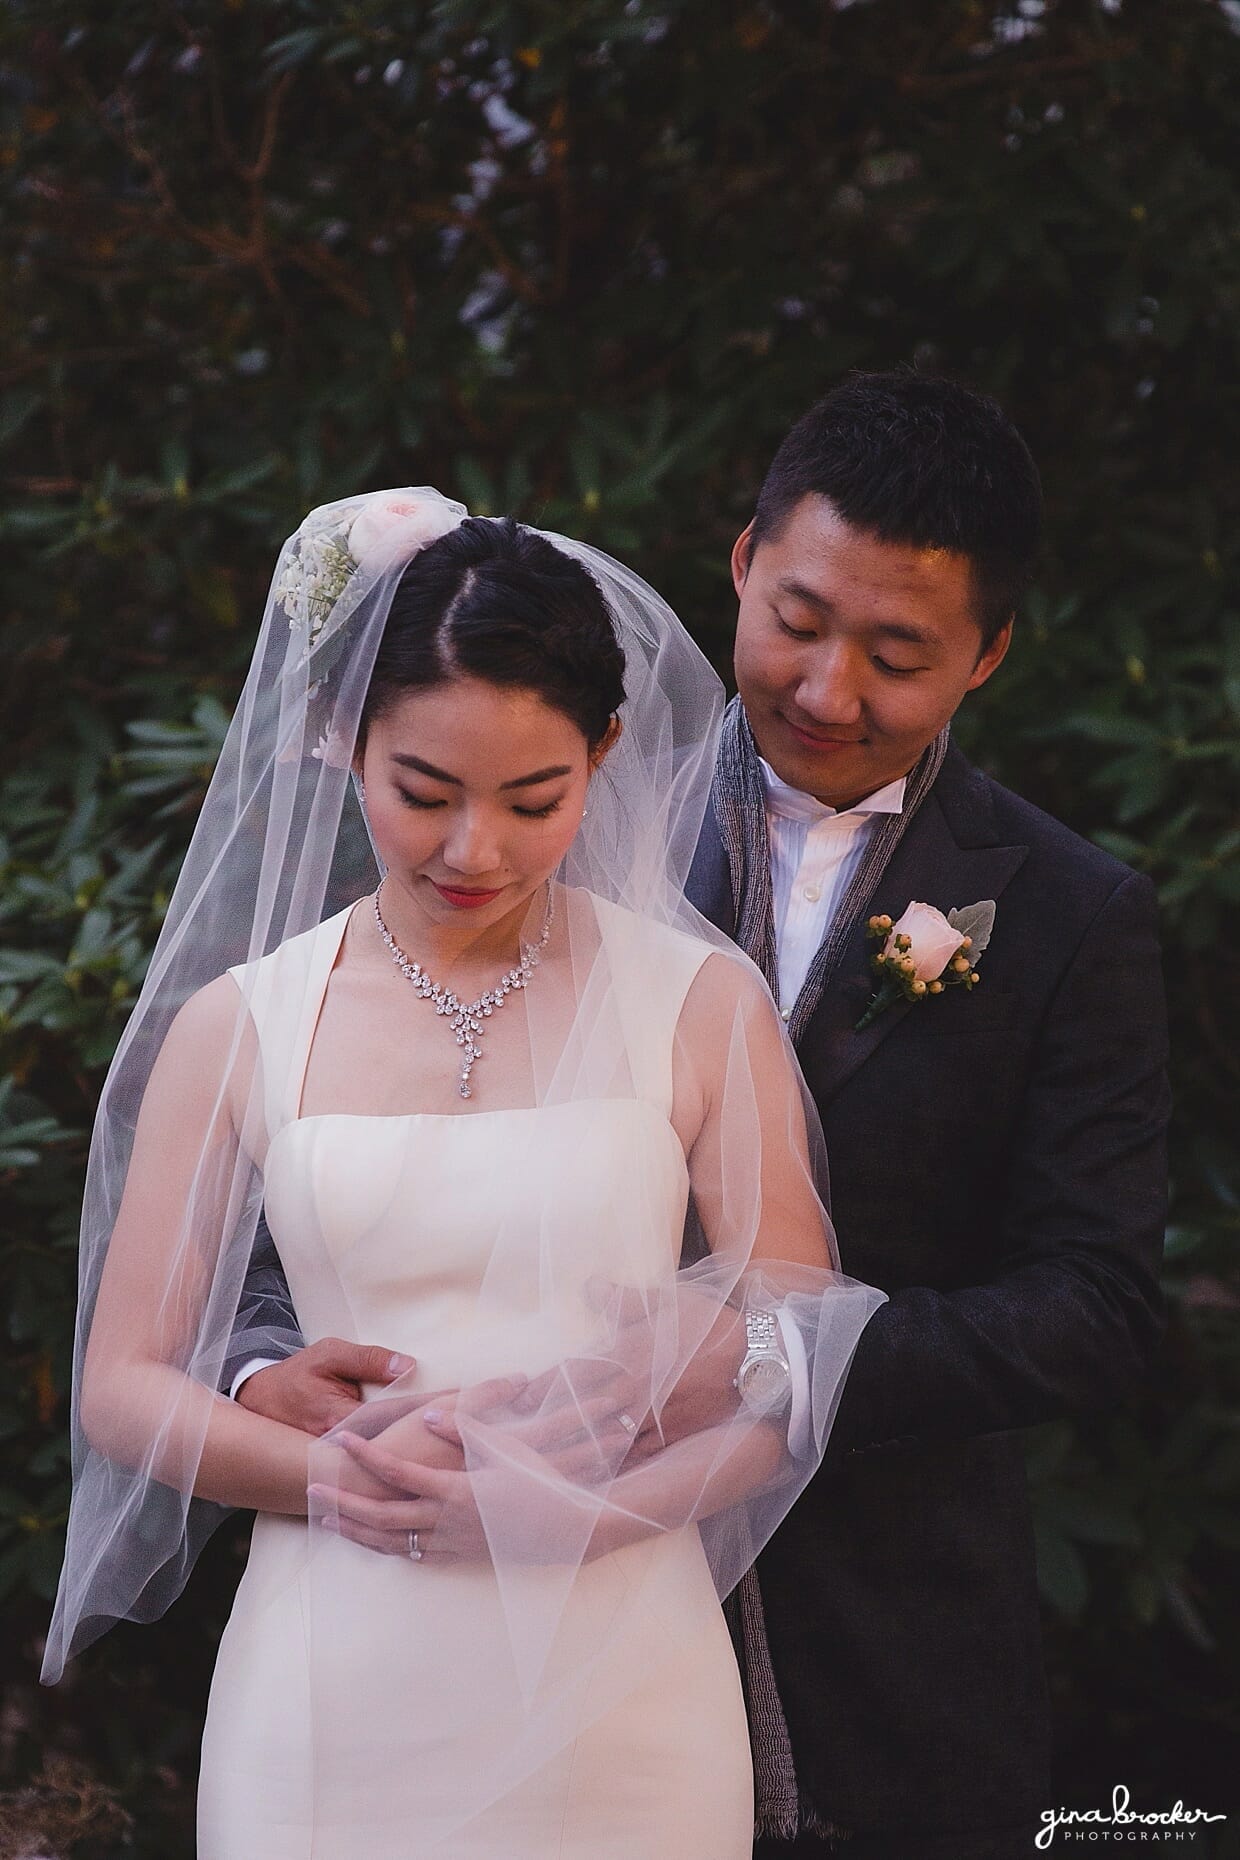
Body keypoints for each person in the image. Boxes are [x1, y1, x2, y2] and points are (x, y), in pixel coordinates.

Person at [231, 374, 1170, 1859]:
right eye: (799, 620)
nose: (828, 687)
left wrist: (766, 1347)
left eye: (898, 652)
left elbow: (1102, 1303)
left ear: (988, 654)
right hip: (484, 1621)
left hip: (882, 1647)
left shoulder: (1069, 915)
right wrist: (262, 1363)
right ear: (741, 562)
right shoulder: (543, 813)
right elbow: (351, 1143)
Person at [42, 492, 886, 1859]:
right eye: (421, 792)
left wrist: (602, 1513)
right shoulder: (243, 1023)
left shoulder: (697, 1003)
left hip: (624, 1670)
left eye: (534, 798)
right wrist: (321, 1477)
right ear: (342, 742)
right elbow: (125, 1383)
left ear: (606, 753)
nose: (470, 850)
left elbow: (800, 1342)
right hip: (336, 1665)